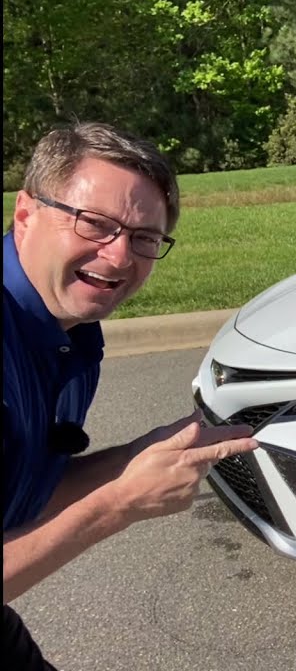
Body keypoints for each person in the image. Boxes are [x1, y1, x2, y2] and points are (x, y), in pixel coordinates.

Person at [2, 122, 257, 669]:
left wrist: (134, 459)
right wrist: (118, 503)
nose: (119, 258)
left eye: (144, 238)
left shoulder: (67, 326)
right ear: (26, 215)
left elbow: (19, 492)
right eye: (95, 224)